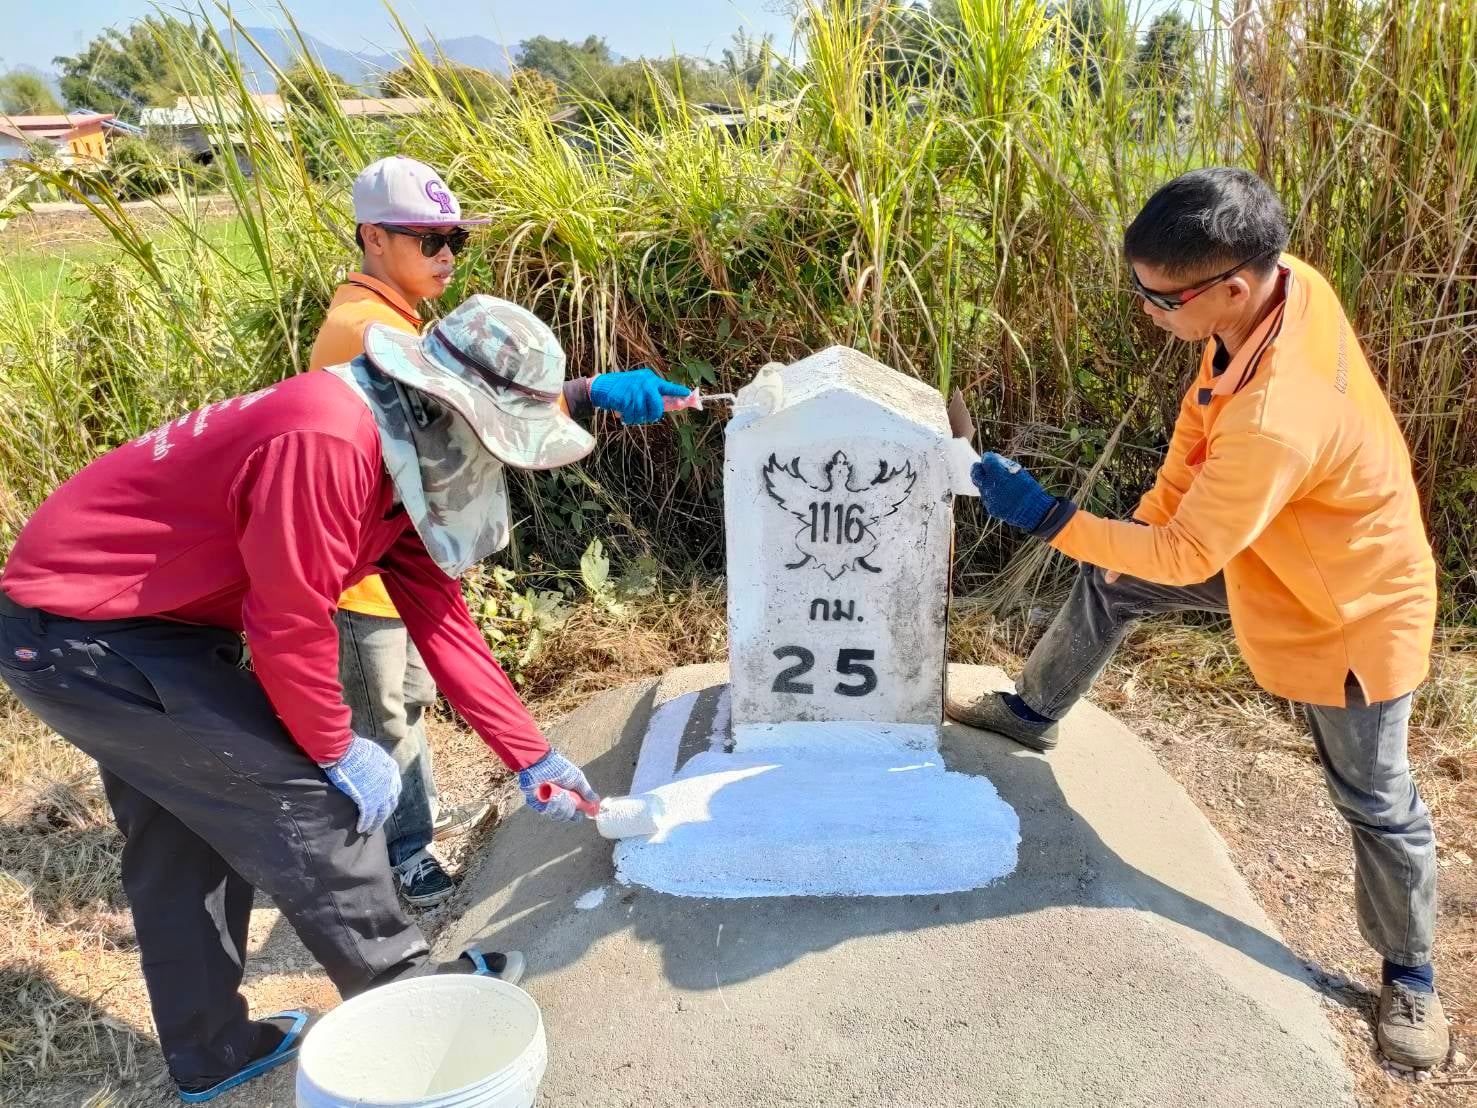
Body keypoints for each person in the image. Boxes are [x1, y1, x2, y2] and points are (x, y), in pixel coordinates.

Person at [0, 293, 690, 1100]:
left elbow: (441, 617)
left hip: (135, 624)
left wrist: (529, 754)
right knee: (314, 805)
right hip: (87, 635)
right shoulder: (327, 444)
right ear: (447, 408)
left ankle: (212, 1051)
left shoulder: (403, 452)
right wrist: (334, 749)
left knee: (183, 834)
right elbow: (288, 621)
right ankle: (421, 1019)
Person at [949, 167, 1449, 1071]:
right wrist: (1134, 527)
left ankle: (1410, 973)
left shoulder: (1280, 413)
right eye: (1140, 288)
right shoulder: (1279, 289)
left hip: (1349, 604)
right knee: (1114, 577)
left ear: (1230, 287)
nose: (1147, 311)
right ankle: (1032, 712)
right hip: (1265, 545)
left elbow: (1186, 555)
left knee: (1374, 799)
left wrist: (1050, 517)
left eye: (1160, 298)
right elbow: (1198, 431)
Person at [307, 155, 490, 908]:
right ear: (373, 238)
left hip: (397, 562)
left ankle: (417, 817)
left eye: (455, 239)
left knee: (407, 702)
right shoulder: (368, 330)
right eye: (429, 239)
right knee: (379, 717)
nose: (447, 254)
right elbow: (466, 421)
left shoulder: (392, 317)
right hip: (361, 570)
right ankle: (401, 855)